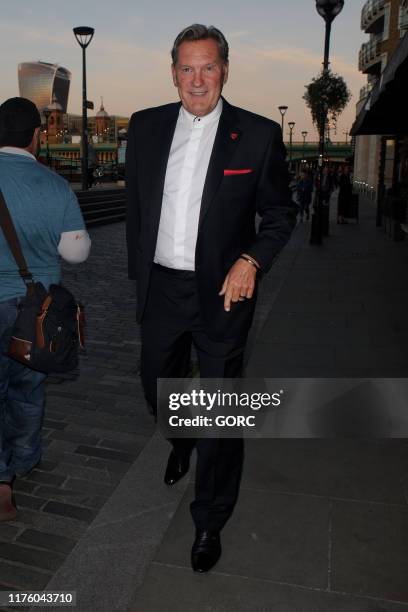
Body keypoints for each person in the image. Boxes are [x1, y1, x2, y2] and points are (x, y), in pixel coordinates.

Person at [125, 24, 296, 572]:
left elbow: (279, 214)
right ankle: (180, 435)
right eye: (187, 68)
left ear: (225, 69)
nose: (197, 80)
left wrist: (251, 261)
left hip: (223, 293)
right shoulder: (146, 127)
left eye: (208, 67)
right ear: (172, 72)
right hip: (162, 287)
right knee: (157, 383)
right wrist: (139, 278)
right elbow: (135, 207)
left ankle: (209, 521)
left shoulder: (259, 134)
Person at [0, 97, 91, 522]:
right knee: (27, 386)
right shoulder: (54, 185)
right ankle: (23, 459)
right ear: (37, 136)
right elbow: (75, 254)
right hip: (31, 312)